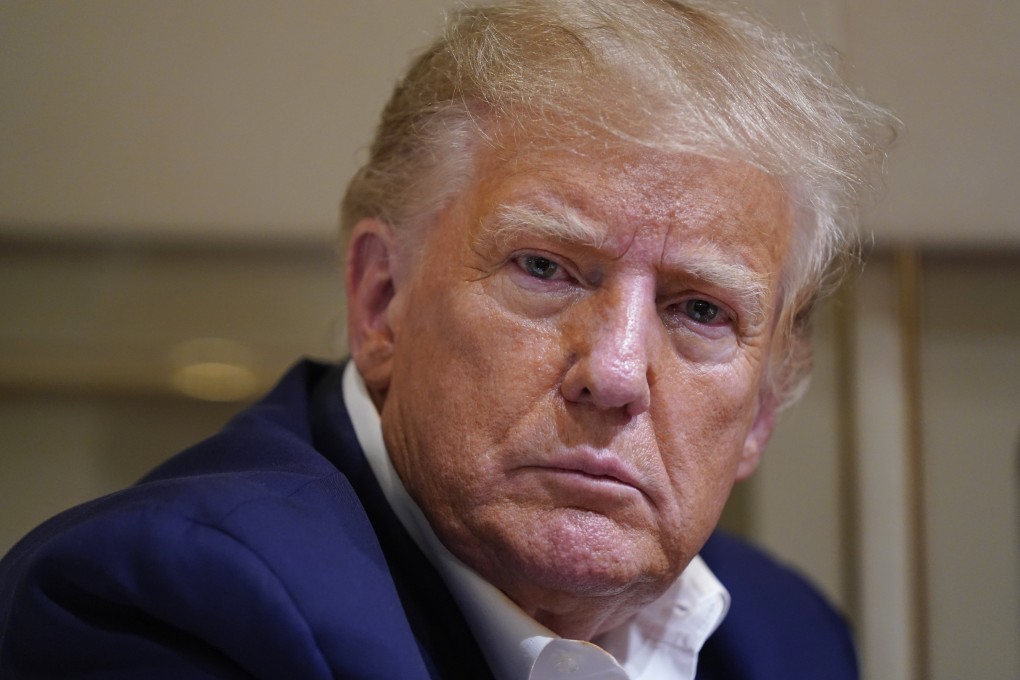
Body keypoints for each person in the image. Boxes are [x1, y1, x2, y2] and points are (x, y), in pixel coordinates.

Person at [0, 0, 896, 678]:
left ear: (762, 415)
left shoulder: (791, 638)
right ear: (381, 299)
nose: (617, 373)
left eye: (701, 311)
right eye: (544, 268)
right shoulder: (163, 606)